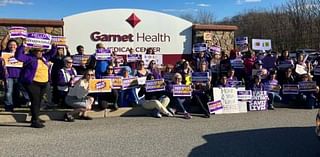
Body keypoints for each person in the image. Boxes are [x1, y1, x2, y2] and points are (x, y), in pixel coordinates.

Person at [15, 43, 57, 128]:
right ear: (33, 51)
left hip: (43, 82)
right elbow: (18, 56)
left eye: (41, 51)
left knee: (39, 101)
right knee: (35, 100)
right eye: (38, 51)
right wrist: (22, 46)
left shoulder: (44, 58)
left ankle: (35, 117)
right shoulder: (29, 58)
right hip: (32, 83)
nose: (40, 52)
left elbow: (52, 53)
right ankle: (35, 121)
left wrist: (54, 46)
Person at [0, 34, 25, 112]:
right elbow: (3, 44)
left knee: (17, 91)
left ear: (17, 46)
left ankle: (17, 104)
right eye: (10, 45)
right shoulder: (5, 53)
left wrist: (23, 39)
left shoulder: (20, 53)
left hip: (19, 75)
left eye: (14, 45)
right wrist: (8, 35)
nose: (12, 46)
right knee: (8, 91)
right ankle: (9, 106)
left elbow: (23, 46)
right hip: (8, 76)